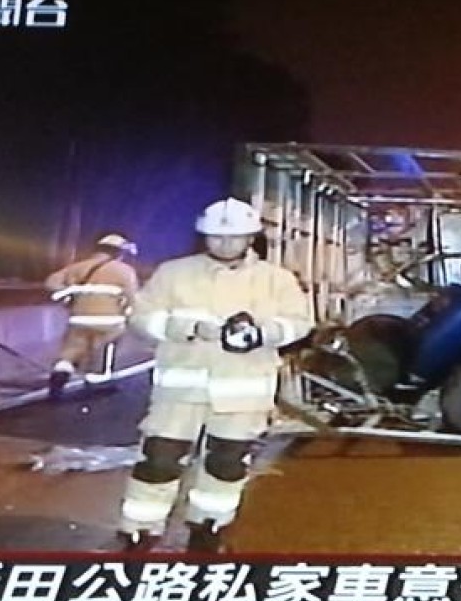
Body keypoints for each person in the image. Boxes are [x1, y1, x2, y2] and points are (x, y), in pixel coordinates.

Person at [118, 197, 314, 553]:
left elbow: (301, 323)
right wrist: (187, 327)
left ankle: (208, 529)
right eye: (216, 237)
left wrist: (262, 333)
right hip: (180, 390)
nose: (225, 244)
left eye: (235, 237)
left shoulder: (276, 280)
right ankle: (139, 531)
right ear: (203, 236)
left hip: (244, 395)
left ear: (251, 237)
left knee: (227, 464)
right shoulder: (173, 273)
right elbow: (140, 316)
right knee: (159, 460)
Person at [44, 233, 139, 397]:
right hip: (109, 322)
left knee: (71, 350)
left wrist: (67, 295)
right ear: (118, 252)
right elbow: (132, 297)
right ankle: (98, 383)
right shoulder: (124, 271)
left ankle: (59, 376)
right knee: (102, 352)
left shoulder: (77, 268)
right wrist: (132, 314)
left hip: (78, 319)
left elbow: (51, 282)